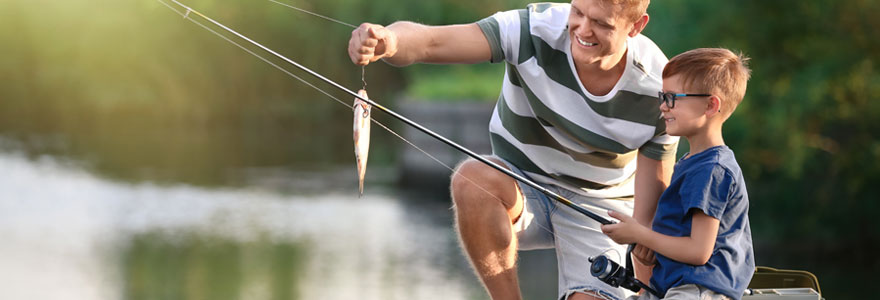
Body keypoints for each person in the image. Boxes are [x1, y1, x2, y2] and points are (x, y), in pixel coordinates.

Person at [348, 0, 677, 299]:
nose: (583, 29)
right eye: (578, 12)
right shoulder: (532, 29)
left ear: (636, 26)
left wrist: (648, 291)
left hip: (601, 211)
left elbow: (647, 221)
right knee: (472, 179)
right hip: (521, 186)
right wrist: (388, 41)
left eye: (602, 24)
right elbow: (432, 41)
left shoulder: (658, 92)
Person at [601, 48, 754, 300]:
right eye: (663, 96)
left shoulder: (712, 169)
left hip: (701, 289)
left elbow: (698, 251)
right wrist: (648, 245)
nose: (663, 106)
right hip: (673, 287)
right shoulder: (693, 162)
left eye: (672, 98)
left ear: (710, 104)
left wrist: (640, 234)